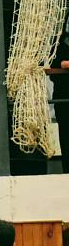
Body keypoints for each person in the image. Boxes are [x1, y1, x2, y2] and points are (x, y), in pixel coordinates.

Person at [50, 27, 69, 172]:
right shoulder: (58, 42)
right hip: (63, 94)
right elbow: (54, 67)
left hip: (63, 93)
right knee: (66, 133)